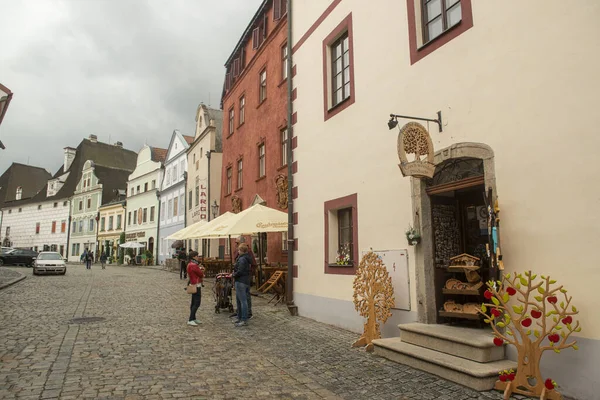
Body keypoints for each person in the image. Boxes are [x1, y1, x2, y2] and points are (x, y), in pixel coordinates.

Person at [232, 243, 252, 327]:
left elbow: (240, 271)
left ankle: (243, 319)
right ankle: (240, 317)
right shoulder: (246, 258)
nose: (238, 251)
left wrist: (233, 275)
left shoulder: (242, 259)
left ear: (241, 250)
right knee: (240, 300)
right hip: (245, 281)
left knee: (243, 301)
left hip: (241, 281)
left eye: (239, 250)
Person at [186, 251, 204, 327]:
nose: (198, 257)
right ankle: (190, 319)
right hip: (196, 284)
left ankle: (193, 318)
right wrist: (202, 269)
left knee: (194, 302)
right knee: (196, 303)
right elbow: (200, 274)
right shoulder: (194, 265)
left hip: (193, 283)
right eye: (197, 256)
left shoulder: (190, 264)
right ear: (193, 257)